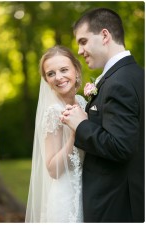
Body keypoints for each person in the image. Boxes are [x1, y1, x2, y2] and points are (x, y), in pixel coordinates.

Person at [61, 8, 144, 222]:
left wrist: (81, 125)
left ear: (105, 35)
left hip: (115, 206)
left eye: (83, 41)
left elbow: (121, 146)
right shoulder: (137, 75)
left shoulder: (119, 83)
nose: (79, 50)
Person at [25, 46, 87, 222]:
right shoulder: (54, 112)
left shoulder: (83, 102)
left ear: (76, 70)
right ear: (46, 79)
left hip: (88, 191)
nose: (58, 77)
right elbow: (52, 169)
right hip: (66, 197)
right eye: (51, 73)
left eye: (64, 70)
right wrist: (76, 134)